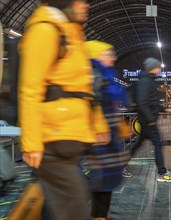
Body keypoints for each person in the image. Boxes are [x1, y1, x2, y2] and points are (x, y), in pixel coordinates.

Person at [18, 1, 110, 220]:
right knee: (74, 207)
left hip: (69, 137)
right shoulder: (45, 30)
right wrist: (31, 143)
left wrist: (97, 124)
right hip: (52, 138)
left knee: (71, 204)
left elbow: (82, 87)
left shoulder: (72, 34)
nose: (86, 5)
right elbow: (30, 89)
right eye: (80, 1)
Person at [84, 40, 132, 220]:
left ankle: (101, 215)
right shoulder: (93, 76)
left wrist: (119, 126)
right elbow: (92, 106)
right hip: (99, 137)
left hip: (108, 137)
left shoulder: (106, 77)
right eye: (108, 54)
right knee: (100, 178)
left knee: (106, 178)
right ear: (96, 56)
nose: (113, 58)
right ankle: (98, 216)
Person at [130, 57, 171, 183]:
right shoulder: (146, 81)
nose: (160, 69)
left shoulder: (149, 80)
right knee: (158, 144)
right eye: (158, 67)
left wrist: (164, 109)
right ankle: (162, 173)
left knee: (138, 144)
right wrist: (150, 119)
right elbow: (142, 102)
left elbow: (152, 101)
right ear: (154, 67)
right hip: (148, 120)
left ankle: (120, 165)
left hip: (147, 119)